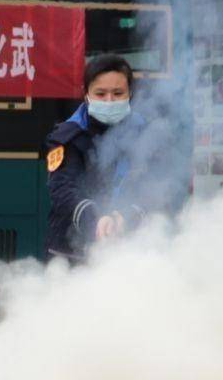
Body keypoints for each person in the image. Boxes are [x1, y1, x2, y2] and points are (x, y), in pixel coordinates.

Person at [43, 53, 174, 261]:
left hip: (131, 250)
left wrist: (127, 216)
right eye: (101, 94)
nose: (109, 100)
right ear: (86, 94)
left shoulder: (147, 134)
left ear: (129, 93)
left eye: (117, 93)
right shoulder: (66, 137)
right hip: (71, 254)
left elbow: (155, 187)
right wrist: (95, 220)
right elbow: (63, 189)